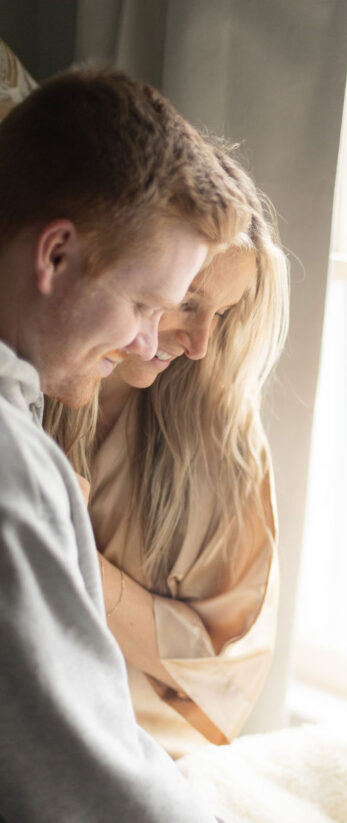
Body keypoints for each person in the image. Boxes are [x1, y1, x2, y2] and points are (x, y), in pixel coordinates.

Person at [0, 68, 347, 823]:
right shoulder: (12, 471)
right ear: (56, 254)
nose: (157, 339)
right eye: (150, 302)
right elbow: (92, 782)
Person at [43, 144, 285, 758]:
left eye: (223, 315)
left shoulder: (224, 444)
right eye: (188, 302)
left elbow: (219, 673)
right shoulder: (28, 382)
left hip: (145, 747)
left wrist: (68, 550)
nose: (202, 343)